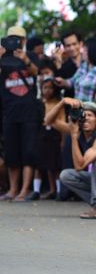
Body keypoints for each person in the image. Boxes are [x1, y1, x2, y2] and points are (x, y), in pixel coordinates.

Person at [0, 26, 40, 201]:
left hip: (29, 111)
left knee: (28, 152)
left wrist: (25, 59)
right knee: (12, 152)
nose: (14, 41)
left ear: (24, 41)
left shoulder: (31, 56)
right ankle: (13, 189)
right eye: (11, 38)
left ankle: (24, 190)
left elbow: (35, 73)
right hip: (9, 110)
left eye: (18, 38)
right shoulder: (3, 59)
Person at [55, 37, 96, 102]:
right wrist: (63, 82)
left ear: (93, 52)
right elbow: (72, 81)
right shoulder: (84, 66)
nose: (82, 51)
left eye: (85, 50)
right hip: (78, 110)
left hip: (90, 110)